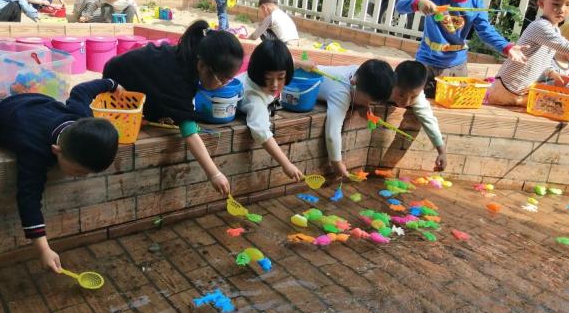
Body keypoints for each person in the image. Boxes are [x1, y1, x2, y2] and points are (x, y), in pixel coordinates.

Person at [0, 79, 121, 273]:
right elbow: (28, 198)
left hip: (35, 101)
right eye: (78, 171)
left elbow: (81, 90)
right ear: (56, 150)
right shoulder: (34, 149)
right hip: (5, 114)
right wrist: (43, 250)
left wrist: (112, 84)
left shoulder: (82, 118)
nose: (82, 177)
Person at [103, 20, 244, 195]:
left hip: (130, 72)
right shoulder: (178, 76)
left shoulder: (189, 57)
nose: (224, 85)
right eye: (222, 79)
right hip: (115, 84)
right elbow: (188, 129)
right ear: (202, 66)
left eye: (229, 79)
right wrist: (214, 173)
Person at [395, 0, 528, 98]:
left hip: (456, 67)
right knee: (416, 102)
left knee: (453, 103)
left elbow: (485, 30)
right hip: (426, 63)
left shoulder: (476, 3)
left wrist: (506, 46)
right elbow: (400, 7)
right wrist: (418, 3)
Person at [295, 58, 395, 178]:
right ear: (353, 83)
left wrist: (363, 104)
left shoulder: (359, 72)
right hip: (296, 82)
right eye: (366, 101)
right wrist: (337, 163)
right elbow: (332, 133)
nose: (367, 105)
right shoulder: (342, 93)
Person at [237, 40, 303, 182]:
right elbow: (261, 132)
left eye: (280, 78)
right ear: (258, 73)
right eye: (268, 78)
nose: (274, 85)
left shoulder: (272, 70)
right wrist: (286, 164)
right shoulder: (254, 99)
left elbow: (286, 62)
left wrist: (304, 64)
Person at [389, 61, 446, 171]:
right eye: (401, 95)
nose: (406, 102)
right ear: (393, 83)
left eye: (413, 97)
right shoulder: (384, 84)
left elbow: (429, 121)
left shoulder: (418, 97)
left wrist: (442, 152)